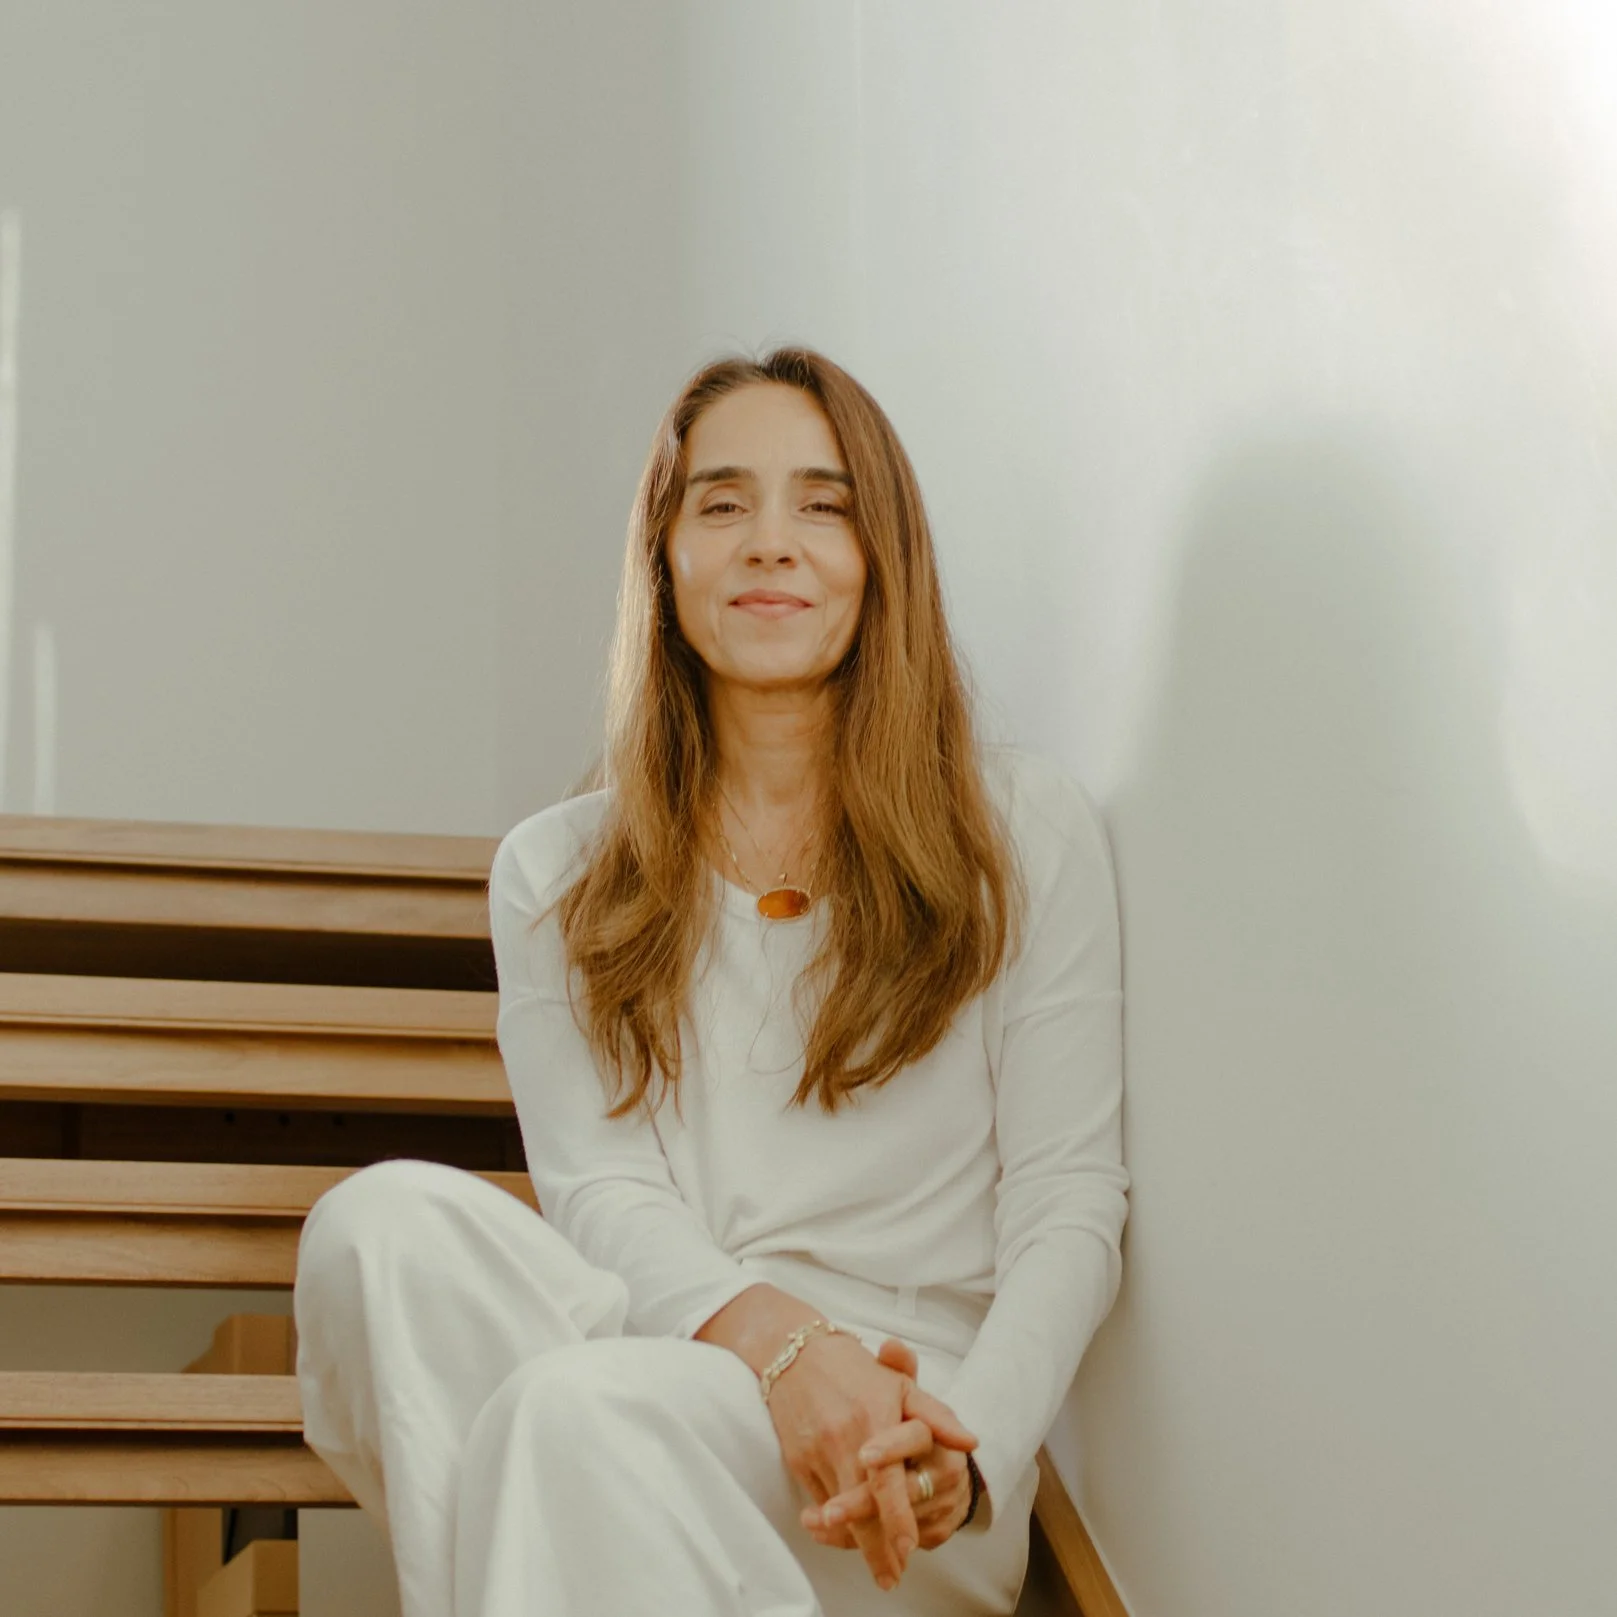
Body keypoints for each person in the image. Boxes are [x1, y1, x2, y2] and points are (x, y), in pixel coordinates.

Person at [293, 346, 1130, 1616]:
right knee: (378, 1230)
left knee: (572, 1416)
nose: (771, 543)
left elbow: (1071, 1206)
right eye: (723, 503)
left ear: (883, 555)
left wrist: (969, 1445)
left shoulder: (1023, 828)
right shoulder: (561, 869)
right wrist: (788, 1348)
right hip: (677, 1350)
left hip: (908, 1441)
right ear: (664, 559)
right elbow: (605, 1194)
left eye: (825, 503)